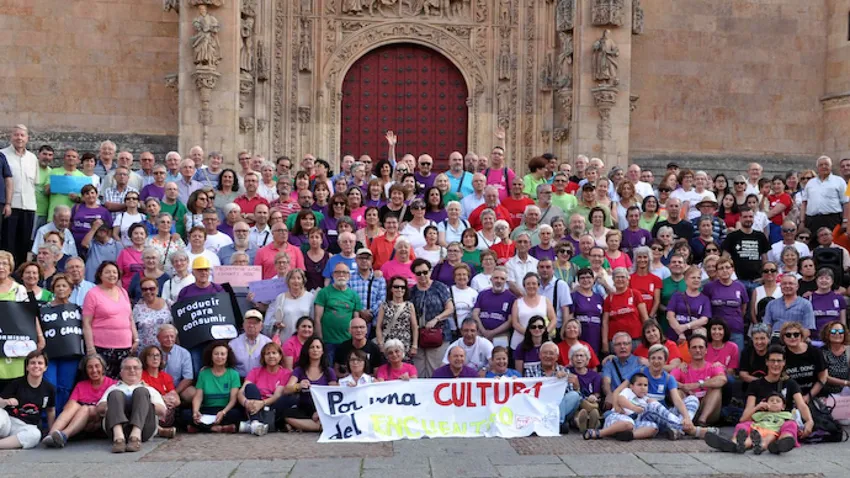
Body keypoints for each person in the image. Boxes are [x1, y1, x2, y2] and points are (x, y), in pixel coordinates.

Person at [705, 345, 814, 455]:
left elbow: (801, 404)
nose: (776, 364)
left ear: (784, 363)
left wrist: (809, 421)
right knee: (742, 426)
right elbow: (746, 414)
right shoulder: (755, 384)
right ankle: (734, 443)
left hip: (781, 423)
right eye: (772, 361)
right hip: (759, 422)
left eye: (779, 361)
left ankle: (783, 442)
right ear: (766, 362)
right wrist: (757, 407)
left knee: (791, 424)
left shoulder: (790, 383)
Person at [609, 344, 711, 440]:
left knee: (693, 399)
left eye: (659, 358)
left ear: (665, 361)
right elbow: (617, 391)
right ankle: (692, 430)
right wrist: (616, 406)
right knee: (652, 403)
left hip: (664, 417)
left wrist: (687, 418)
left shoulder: (668, 378)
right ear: (649, 360)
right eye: (653, 358)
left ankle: (679, 429)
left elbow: (677, 400)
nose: (656, 361)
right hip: (644, 415)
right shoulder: (640, 372)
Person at [42, 354, 117, 448]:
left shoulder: (112, 384)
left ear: (103, 368)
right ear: (86, 370)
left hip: (100, 424)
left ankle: (64, 435)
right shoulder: (81, 385)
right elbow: (68, 407)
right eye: (90, 367)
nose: (94, 370)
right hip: (80, 424)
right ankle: (52, 434)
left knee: (86, 408)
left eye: (97, 366)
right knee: (74, 405)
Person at [95, 356, 166, 452]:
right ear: (121, 372)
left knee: (141, 392)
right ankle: (119, 439)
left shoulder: (149, 389)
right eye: (128, 368)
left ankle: (135, 437)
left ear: (141, 371)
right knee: (116, 394)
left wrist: (143, 404)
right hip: (116, 430)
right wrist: (114, 404)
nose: (132, 370)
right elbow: (100, 409)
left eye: (135, 368)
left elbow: (162, 411)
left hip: (144, 430)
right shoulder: (113, 388)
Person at [82, 261, 137, 379]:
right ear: (100, 275)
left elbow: (130, 317)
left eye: (114, 272)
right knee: (104, 381)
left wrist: (136, 338)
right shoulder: (92, 294)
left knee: (123, 381)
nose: (112, 275)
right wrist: (90, 348)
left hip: (125, 346)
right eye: (107, 272)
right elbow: (86, 323)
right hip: (102, 347)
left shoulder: (123, 292)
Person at [184, 341, 244, 434]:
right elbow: (198, 397)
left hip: (225, 410)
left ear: (227, 356)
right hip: (207, 409)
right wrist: (196, 411)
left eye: (222, 354)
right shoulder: (203, 374)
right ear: (211, 356)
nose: (219, 357)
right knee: (185, 414)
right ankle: (218, 428)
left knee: (238, 414)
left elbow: (233, 400)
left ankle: (202, 428)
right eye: (216, 354)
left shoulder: (233, 374)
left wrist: (223, 412)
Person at [0, 350, 55, 450]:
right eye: (32, 363)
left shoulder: (49, 388)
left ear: (45, 367)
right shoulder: (16, 383)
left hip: (27, 426)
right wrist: (6, 402)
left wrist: (51, 432)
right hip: (9, 421)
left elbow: (50, 410)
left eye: (40, 363)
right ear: (27, 367)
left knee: (35, 435)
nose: (36, 366)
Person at [524, 341, 582, 434]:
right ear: (540, 355)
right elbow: (527, 393)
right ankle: (557, 425)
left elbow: (571, 396)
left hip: (558, 408)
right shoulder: (530, 370)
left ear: (557, 357)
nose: (548, 356)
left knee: (574, 395)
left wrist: (575, 384)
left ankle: (557, 423)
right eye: (545, 353)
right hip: (539, 406)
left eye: (551, 353)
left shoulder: (564, 371)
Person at [410, 258, 454, 378]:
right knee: (418, 370)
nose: (422, 276)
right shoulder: (412, 291)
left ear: (430, 271)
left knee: (435, 369)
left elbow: (450, 309)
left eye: (425, 272)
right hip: (419, 336)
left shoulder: (439, 287)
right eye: (418, 273)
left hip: (438, 334)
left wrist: (436, 319)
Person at [283, 337, 338, 432]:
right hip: (304, 407)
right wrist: (298, 386)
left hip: (323, 407)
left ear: (322, 351)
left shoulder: (329, 371)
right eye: (312, 347)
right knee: (285, 414)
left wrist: (320, 411)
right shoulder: (299, 370)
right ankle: (319, 427)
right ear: (307, 350)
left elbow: (333, 394)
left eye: (318, 347)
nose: (315, 350)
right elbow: (286, 389)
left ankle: (303, 426)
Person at [236, 342, 293, 433]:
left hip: (271, 405)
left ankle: (252, 425)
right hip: (253, 404)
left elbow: (277, 395)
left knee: (287, 398)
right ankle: (255, 423)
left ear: (280, 356)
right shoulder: (255, 371)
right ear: (263, 357)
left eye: (274, 353)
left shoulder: (285, 373)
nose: (271, 356)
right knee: (250, 387)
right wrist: (246, 403)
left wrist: (262, 403)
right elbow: (241, 392)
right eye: (267, 353)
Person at [671, 335, 727, 426]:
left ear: (706, 350)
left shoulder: (714, 366)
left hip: (709, 412)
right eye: (694, 347)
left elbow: (722, 379)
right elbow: (668, 381)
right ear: (689, 350)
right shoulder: (682, 368)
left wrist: (699, 384)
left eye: (701, 347)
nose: (697, 350)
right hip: (687, 408)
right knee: (677, 391)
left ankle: (702, 421)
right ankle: (686, 419)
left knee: (716, 389)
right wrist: (683, 387)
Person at [314, 262, 363, 363]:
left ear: (349, 275)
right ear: (333, 275)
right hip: (328, 342)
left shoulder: (354, 295)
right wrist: (320, 340)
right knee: (328, 369)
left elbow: (356, 321)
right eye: (338, 272)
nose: (341, 275)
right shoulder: (324, 293)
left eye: (344, 272)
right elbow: (317, 318)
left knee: (345, 369)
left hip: (347, 342)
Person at [703, 257, 749, 350]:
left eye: (727, 267)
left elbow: (743, 307)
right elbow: (705, 308)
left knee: (737, 358)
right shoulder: (709, 287)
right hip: (716, 331)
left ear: (732, 269)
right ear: (717, 271)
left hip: (736, 330)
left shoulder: (740, 286)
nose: (725, 270)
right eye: (721, 268)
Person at [801, 156, 847, 246]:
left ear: (831, 166)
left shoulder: (839, 181)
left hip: (832, 219)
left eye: (826, 164)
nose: (824, 167)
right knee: (814, 246)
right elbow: (804, 203)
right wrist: (802, 221)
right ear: (817, 168)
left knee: (833, 245)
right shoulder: (810, 183)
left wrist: (845, 220)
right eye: (821, 165)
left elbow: (846, 202)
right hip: (812, 220)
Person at [601, 268, 649, 355]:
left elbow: (645, 318)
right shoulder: (609, 299)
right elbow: (605, 322)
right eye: (617, 277)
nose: (620, 279)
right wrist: (605, 342)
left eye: (623, 277)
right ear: (613, 280)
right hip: (616, 341)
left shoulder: (635, 294)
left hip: (635, 339)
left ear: (628, 280)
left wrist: (647, 337)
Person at [780, 321, 827, 400]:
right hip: (790, 397)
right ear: (783, 338)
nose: (792, 337)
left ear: (801, 336)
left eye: (796, 334)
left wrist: (809, 396)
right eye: (788, 335)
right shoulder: (781, 354)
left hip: (815, 396)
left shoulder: (815, 352)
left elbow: (823, 377)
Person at [665, 265, 711, 343]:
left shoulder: (704, 299)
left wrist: (686, 326)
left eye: (699, 278)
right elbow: (670, 316)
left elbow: (704, 320)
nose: (696, 280)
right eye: (693, 277)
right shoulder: (676, 296)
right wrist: (680, 332)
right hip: (674, 336)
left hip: (693, 338)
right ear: (685, 280)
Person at [568, 344, 602, 433]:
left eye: (581, 356)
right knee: (579, 411)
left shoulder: (595, 375)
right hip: (576, 404)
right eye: (576, 356)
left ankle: (590, 423)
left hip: (590, 401)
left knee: (592, 408)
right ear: (571, 359)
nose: (579, 358)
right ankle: (584, 424)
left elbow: (597, 393)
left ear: (587, 359)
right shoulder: (568, 372)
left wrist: (594, 397)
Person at [809, 268, 846, 335]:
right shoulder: (808, 298)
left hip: (834, 337)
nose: (824, 280)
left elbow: (843, 322)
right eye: (821, 278)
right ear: (816, 281)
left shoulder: (839, 298)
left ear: (832, 281)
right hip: (814, 338)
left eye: (827, 278)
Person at [820, 320, 850, 395]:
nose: (837, 333)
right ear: (827, 333)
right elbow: (824, 377)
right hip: (826, 393)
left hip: (847, 392)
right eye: (833, 331)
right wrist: (846, 383)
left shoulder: (849, 350)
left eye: (840, 331)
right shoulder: (821, 352)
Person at [115, 223, 147, 290]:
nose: (139, 236)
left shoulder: (150, 252)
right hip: (128, 290)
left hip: (146, 289)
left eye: (141, 234)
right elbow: (118, 275)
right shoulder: (124, 253)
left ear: (145, 236)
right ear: (130, 236)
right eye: (136, 233)